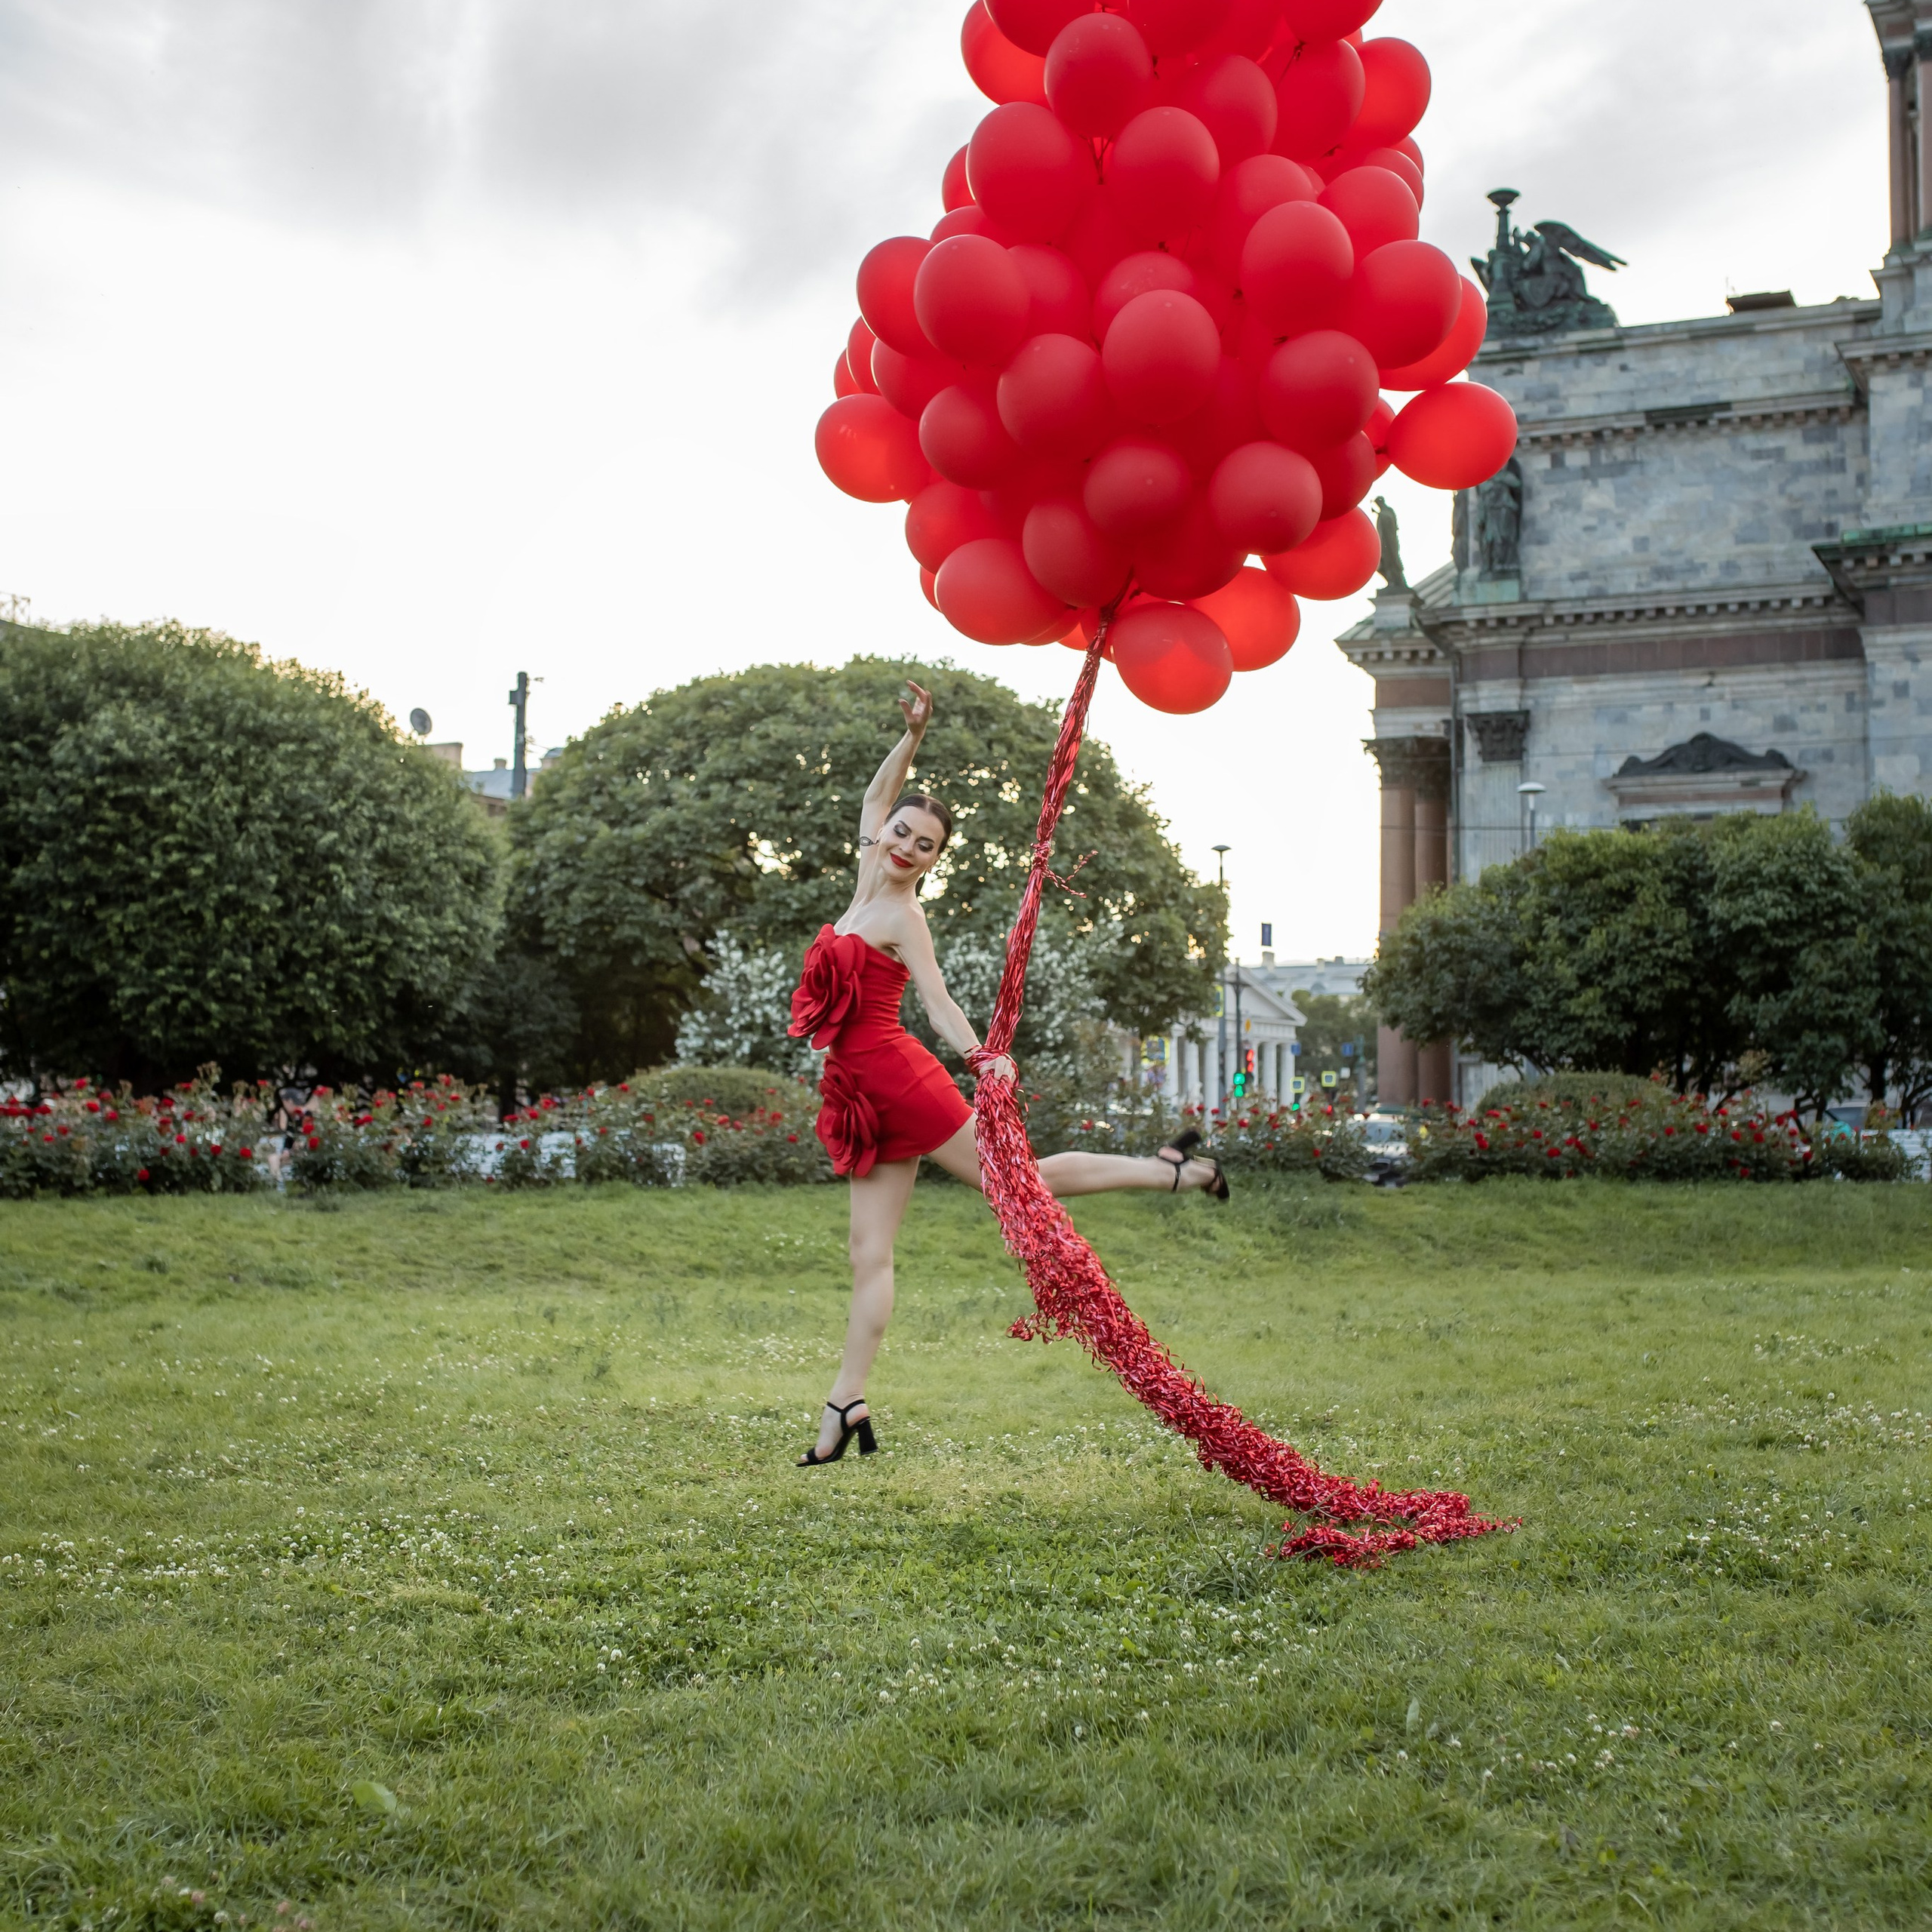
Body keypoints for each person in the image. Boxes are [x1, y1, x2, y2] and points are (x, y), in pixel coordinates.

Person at [788, 679, 1226, 1467]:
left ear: (933, 861)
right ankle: (845, 1402)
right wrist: (914, 738)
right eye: (902, 833)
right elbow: (873, 793)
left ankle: (1175, 1175)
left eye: (925, 845)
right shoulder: (863, 880)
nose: (907, 847)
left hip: (901, 1078)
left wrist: (981, 1058)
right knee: (869, 1253)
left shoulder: (904, 916)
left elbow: (939, 999)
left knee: (1012, 1183)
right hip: (856, 1091)